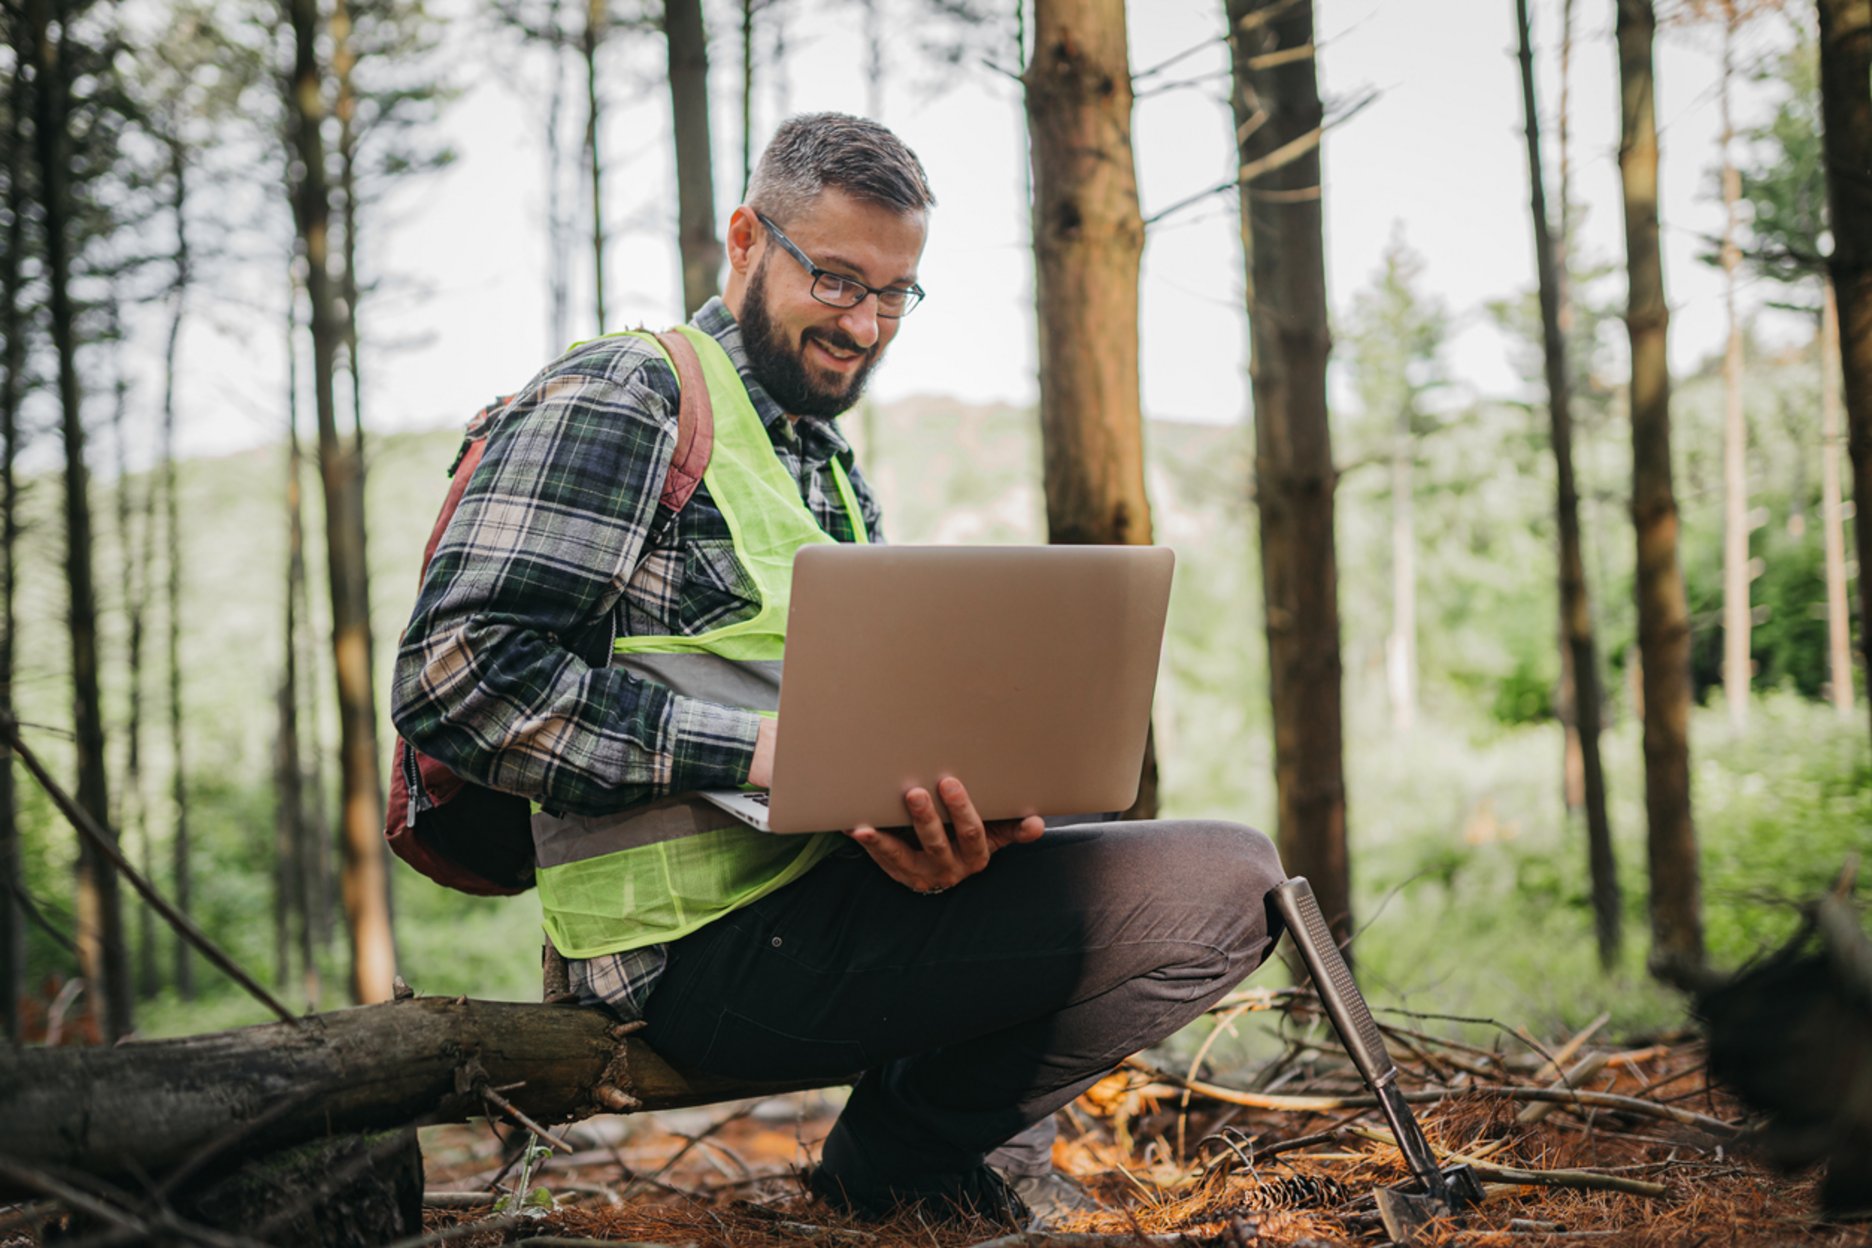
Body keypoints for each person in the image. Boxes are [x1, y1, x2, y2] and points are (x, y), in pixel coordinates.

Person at [391, 112, 1286, 1227]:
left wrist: (921, 828)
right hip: (685, 962)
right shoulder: (625, 396)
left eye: (897, 292)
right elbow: (456, 676)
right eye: (837, 279)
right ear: (746, 240)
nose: (865, 324)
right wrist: (771, 753)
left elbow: (832, 729)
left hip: (815, 903)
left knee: (1109, 864)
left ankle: (945, 1179)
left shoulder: (825, 467)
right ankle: (901, 1175)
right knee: (1233, 880)